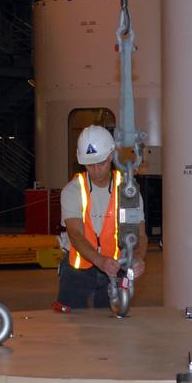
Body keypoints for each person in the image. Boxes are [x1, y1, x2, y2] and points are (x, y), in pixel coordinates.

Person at [56, 125, 148, 310]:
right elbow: (75, 235)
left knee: (111, 328)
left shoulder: (128, 191)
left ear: (111, 156)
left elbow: (140, 233)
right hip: (77, 269)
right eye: (90, 165)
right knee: (69, 328)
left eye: (102, 163)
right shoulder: (72, 191)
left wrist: (138, 258)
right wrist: (99, 261)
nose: (96, 170)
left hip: (116, 265)